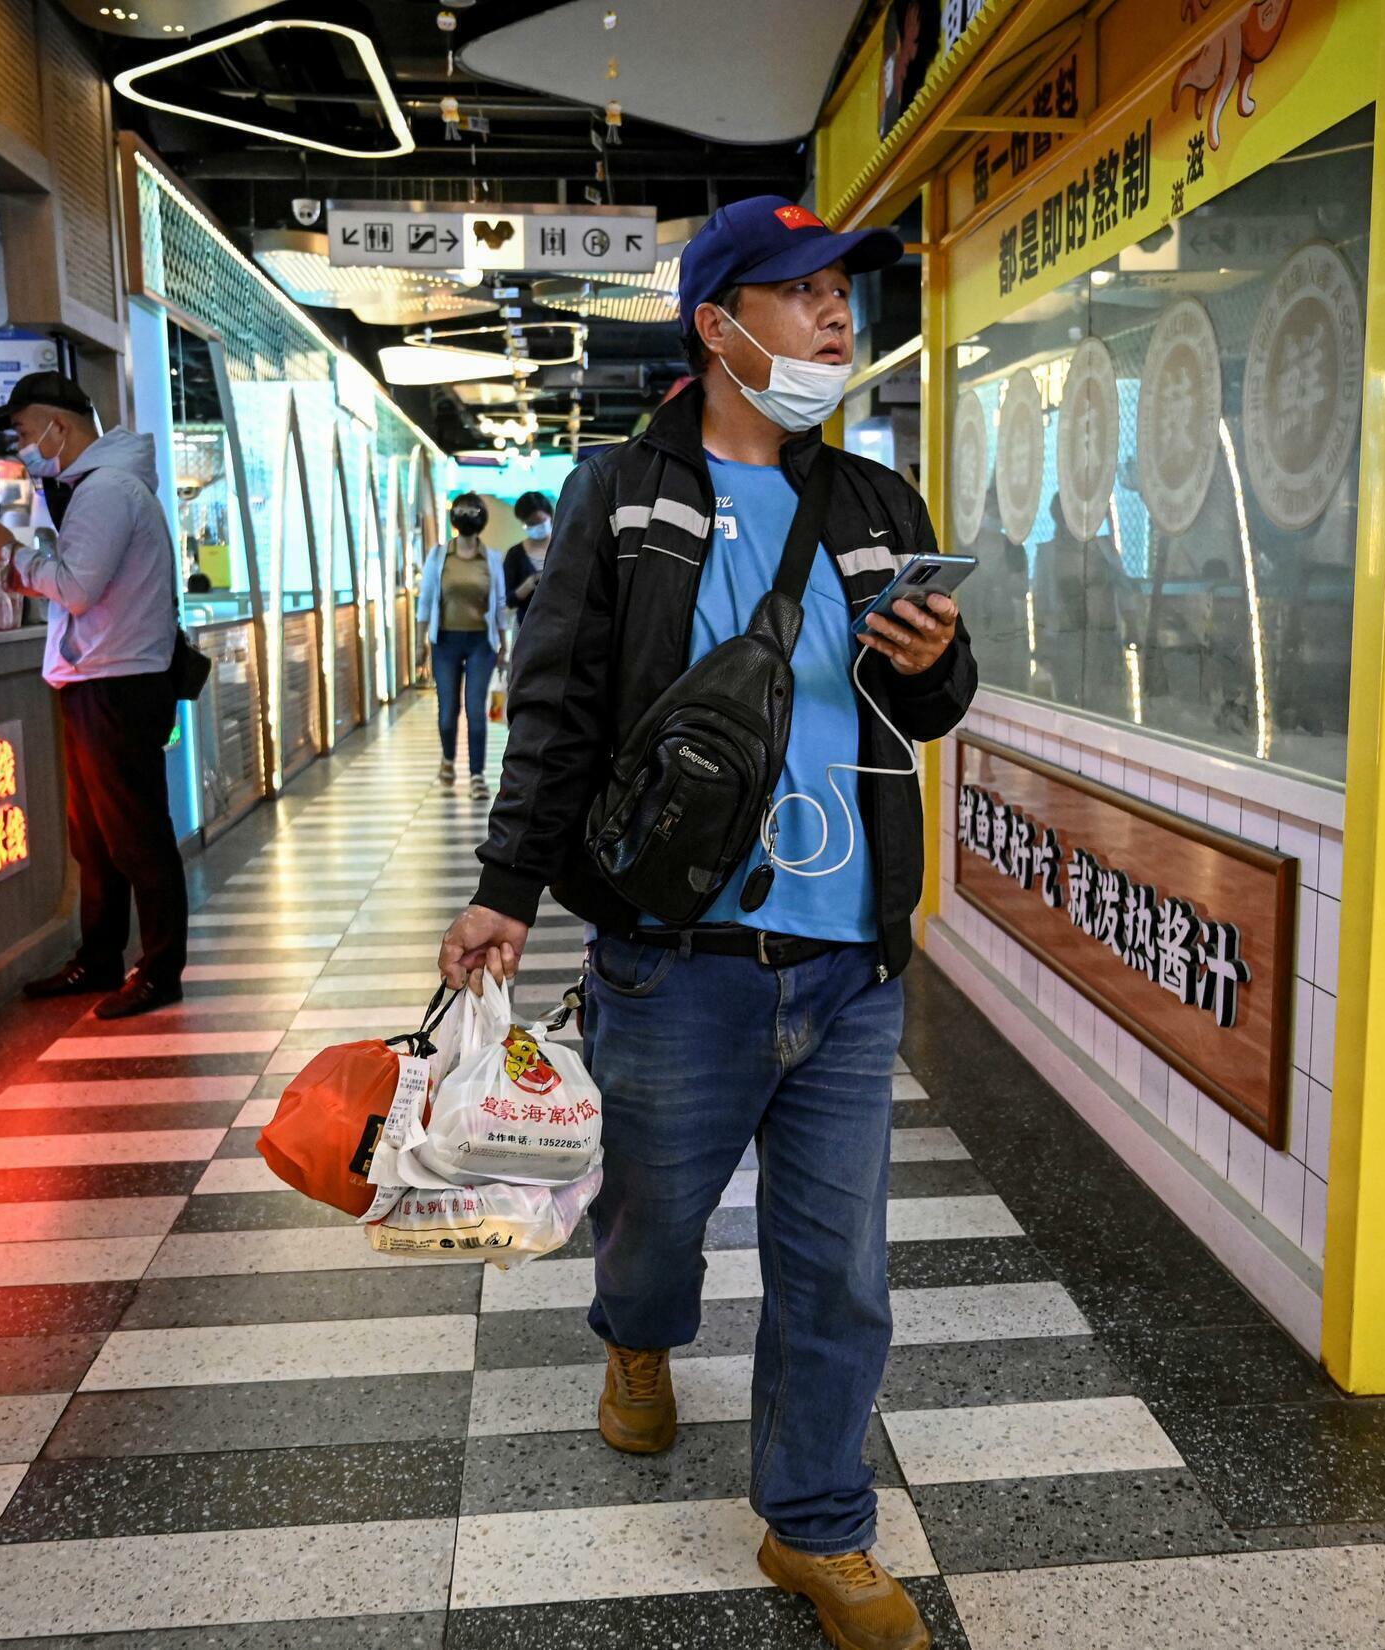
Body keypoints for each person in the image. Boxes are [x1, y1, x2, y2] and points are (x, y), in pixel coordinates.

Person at [436, 196, 974, 1650]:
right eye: (799, 293)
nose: (835, 316)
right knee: (652, 1220)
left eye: (842, 292)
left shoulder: (876, 505)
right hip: (677, 959)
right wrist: (503, 887)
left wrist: (934, 660)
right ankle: (636, 1338)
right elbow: (553, 705)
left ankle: (818, 1526)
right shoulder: (622, 495)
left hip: (847, 957)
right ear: (718, 326)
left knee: (838, 1270)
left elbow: (927, 706)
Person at [0, 372, 187, 1020]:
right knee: (97, 838)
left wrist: (12, 553)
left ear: (59, 425)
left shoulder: (106, 490)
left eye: (25, 432)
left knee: (136, 835)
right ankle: (100, 958)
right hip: (102, 679)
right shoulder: (98, 486)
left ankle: (159, 971)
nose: (23, 446)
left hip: (117, 683)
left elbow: (78, 587)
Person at [416, 492, 507, 799]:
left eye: (473, 512)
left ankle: (477, 776)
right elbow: (426, 601)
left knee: (476, 710)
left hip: (481, 643)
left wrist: (503, 645)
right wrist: (419, 643)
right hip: (445, 642)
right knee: (448, 711)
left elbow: (499, 603)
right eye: (464, 512)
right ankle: (447, 758)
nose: (468, 518)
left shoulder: (491, 558)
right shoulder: (439, 556)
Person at [500, 490, 554, 629]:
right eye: (530, 523)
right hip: (526, 627)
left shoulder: (564, 549)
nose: (536, 527)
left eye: (540, 521)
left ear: (550, 515)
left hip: (559, 626)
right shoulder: (515, 554)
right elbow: (507, 599)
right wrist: (527, 586)